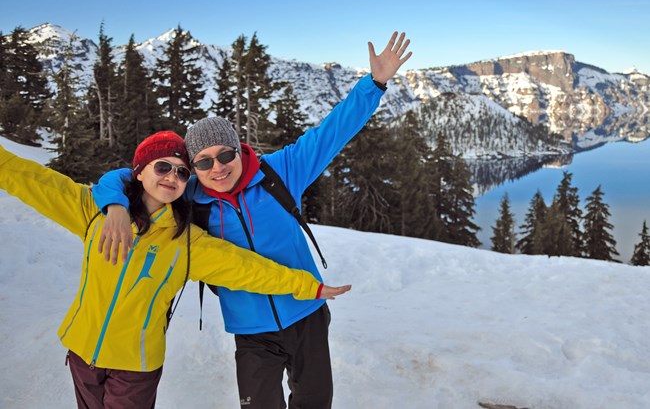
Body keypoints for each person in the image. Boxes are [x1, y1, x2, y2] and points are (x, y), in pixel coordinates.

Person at [93, 31, 412, 408]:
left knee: (314, 402)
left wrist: (374, 84)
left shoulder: (280, 172)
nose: (218, 168)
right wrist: (114, 206)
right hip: (252, 331)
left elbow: (333, 132)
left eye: (225, 155)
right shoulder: (191, 196)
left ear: (239, 150)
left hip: (306, 313)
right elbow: (123, 178)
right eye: (204, 162)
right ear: (194, 167)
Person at [0, 131, 350, 409]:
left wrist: (309, 286)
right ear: (140, 172)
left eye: (182, 172)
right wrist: (115, 205)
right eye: (162, 167)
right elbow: (29, 178)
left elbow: (247, 269)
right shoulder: (94, 211)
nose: (172, 176)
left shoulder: (186, 242)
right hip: (82, 354)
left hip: (135, 364)